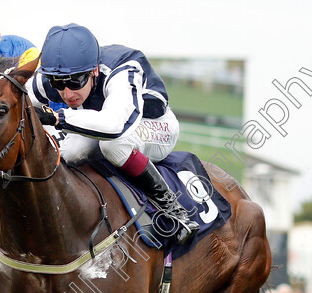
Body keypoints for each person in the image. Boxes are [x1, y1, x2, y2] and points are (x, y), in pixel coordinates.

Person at [28, 23, 199, 245]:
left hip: (153, 125)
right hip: (104, 125)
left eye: (75, 81)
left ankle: (173, 208)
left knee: (113, 146)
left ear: (94, 71)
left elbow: (114, 126)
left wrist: (58, 118)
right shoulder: (53, 77)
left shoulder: (123, 68)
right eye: (58, 83)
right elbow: (9, 97)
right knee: (65, 151)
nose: (67, 92)